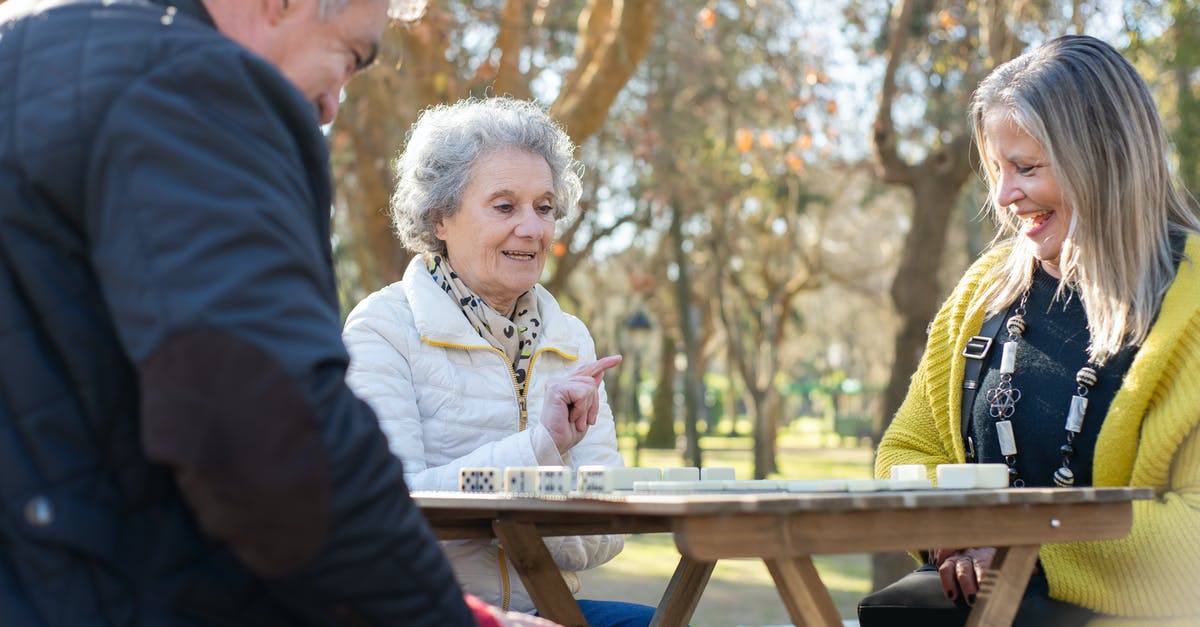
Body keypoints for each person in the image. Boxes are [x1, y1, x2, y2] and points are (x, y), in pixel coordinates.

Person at [0, 1, 557, 625]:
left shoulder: (25, 56)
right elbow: (268, 433)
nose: (332, 105)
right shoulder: (197, 90)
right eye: (349, 55)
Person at [870, 35, 1200, 625]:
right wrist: (949, 529)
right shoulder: (982, 291)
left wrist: (1024, 550)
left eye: (1025, 168)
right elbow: (907, 450)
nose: (1003, 195)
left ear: (1105, 159)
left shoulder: (1191, 305)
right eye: (997, 169)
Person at [342, 96, 656, 626]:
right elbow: (391, 509)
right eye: (505, 206)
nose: (533, 229)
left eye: (545, 207)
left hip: (548, 610)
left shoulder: (569, 337)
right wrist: (542, 449)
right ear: (441, 217)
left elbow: (609, 530)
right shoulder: (382, 329)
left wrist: (525, 523)